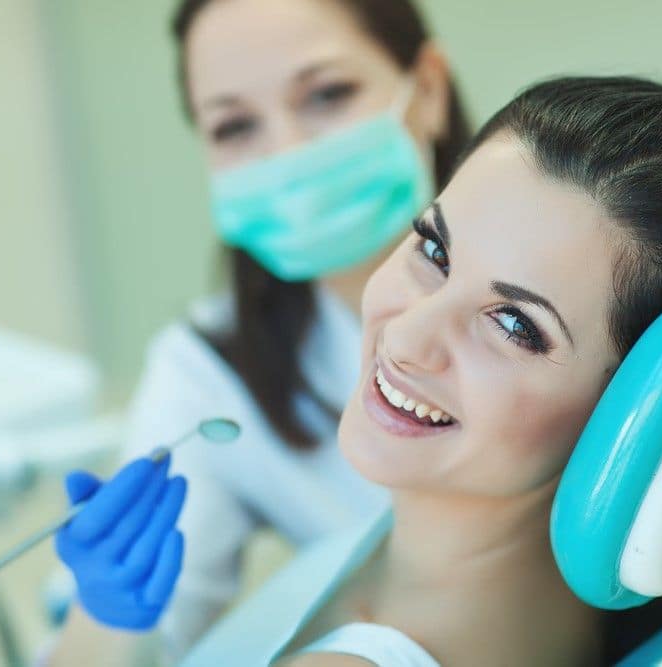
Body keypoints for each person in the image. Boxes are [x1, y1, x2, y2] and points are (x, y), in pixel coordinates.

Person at [118, 75, 662, 666]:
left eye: (513, 324)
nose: (409, 333)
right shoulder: (562, 605)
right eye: (434, 248)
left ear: (639, 408)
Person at [49, 0, 470, 661]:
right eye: (234, 126)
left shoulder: (577, 273)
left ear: (429, 89)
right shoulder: (211, 371)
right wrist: (107, 613)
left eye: (328, 94)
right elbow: (129, 643)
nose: (288, 153)